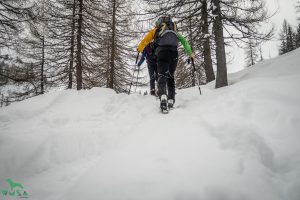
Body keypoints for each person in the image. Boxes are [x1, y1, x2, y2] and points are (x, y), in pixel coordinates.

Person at [137, 16, 193, 111]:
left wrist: (139, 49)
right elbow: (184, 42)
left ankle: (163, 97)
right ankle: (171, 99)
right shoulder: (175, 31)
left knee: (161, 75)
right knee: (171, 77)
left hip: (162, 53)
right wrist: (190, 53)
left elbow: (146, 40)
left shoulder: (157, 30)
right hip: (174, 53)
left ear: (160, 23)